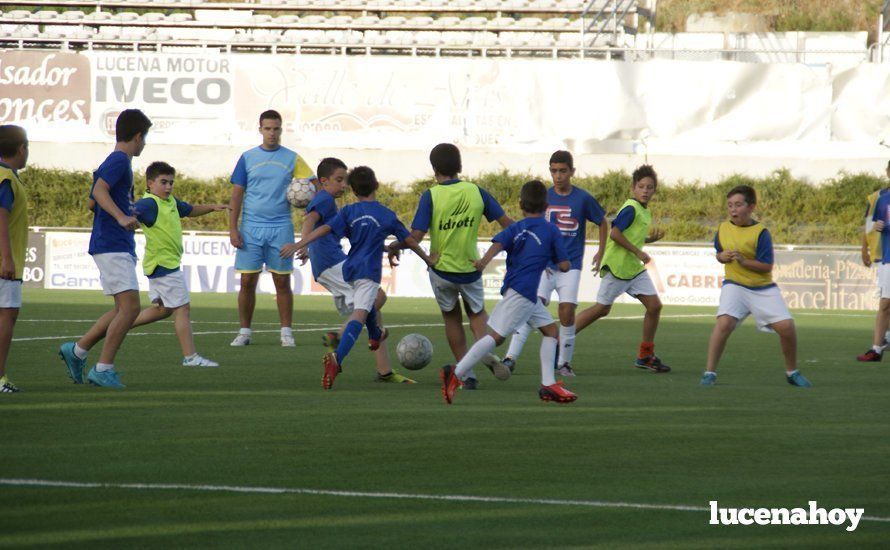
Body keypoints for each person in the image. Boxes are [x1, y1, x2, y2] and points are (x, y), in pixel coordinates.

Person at [282, 166, 436, 389]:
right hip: (368, 272)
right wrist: (428, 260)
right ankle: (337, 359)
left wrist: (299, 243)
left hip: (351, 269)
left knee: (371, 302)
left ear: (353, 191)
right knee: (362, 310)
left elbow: (325, 229)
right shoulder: (386, 215)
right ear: (377, 185)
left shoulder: (348, 212)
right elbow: (411, 241)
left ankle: (375, 334)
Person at [440, 180, 576, 405]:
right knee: (496, 338)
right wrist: (560, 263)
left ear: (521, 204)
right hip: (523, 293)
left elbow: (498, 243)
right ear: (546, 204)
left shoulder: (516, 227)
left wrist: (483, 262)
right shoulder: (551, 229)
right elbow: (564, 265)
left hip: (521, 291)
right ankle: (456, 373)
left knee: (551, 332)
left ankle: (548, 385)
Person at [390, 143, 513, 390]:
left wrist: (395, 244)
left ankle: (467, 375)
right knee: (477, 316)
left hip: (441, 269)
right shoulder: (477, 192)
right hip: (471, 268)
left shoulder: (431, 195)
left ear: (434, 168)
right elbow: (508, 225)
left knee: (452, 318)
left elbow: (416, 235)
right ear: (459, 166)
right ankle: (485, 353)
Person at [59, 109, 152, 389]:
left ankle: (77, 351)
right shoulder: (119, 161)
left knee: (122, 308)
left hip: (111, 243)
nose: (144, 144)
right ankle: (103, 368)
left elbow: (92, 202)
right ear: (137, 136)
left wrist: (125, 209)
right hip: (112, 244)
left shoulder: (114, 162)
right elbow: (99, 191)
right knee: (131, 307)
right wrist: (121, 216)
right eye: (144, 138)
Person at [501, 150, 608, 377]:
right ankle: (510, 358)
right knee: (529, 306)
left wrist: (601, 250)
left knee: (567, 311)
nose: (558, 175)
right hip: (544, 266)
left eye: (562, 171)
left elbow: (602, 221)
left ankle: (564, 363)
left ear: (572, 171)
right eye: (554, 171)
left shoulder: (583, 198)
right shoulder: (544, 198)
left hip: (570, 266)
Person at [701, 185, 812, 387]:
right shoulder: (723, 228)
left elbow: (766, 266)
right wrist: (721, 257)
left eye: (738, 205)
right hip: (734, 285)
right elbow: (718, 253)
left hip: (762, 288)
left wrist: (744, 262)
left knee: (787, 327)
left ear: (751, 207)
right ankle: (709, 373)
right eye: (730, 205)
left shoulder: (761, 233)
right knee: (723, 323)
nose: (733, 210)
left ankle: (792, 372)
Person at [229, 110, 315, 347]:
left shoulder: (293, 158)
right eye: (267, 128)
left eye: (276, 128)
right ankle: (244, 331)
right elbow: (236, 196)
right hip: (250, 228)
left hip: (281, 227)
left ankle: (286, 332)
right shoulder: (247, 158)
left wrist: (306, 202)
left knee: (282, 282)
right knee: (247, 281)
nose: (272, 133)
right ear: (260, 130)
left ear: (281, 129)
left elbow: (316, 187)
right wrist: (232, 229)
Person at [573, 165, 671, 373]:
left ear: (655, 190)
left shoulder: (643, 210)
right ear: (633, 188)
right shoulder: (631, 208)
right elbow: (615, 233)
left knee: (654, 306)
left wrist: (647, 240)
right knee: (601, 309)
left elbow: (628, 234)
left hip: (632, 269)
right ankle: (561, 339)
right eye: (641, 186)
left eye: (650, 187)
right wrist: (638, 252)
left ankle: (645, 355)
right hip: (618, 267)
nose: (645, 190)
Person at [129, 162, 226, 366]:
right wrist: (128, 216)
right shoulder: (149, 203)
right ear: (150, 183)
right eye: (163, 182)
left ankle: (120, 325)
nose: (168, 187)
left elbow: (189, 210)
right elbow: (132, 212)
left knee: (163, 309)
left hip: (160, 265)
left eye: (171, 182)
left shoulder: (170, 202)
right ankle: (191, 357)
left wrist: (211, 207)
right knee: (183, 308)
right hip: (164, 266)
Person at [0, 125, 29, 393]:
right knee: (6, 316)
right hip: (4, 264)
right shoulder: (6, 177)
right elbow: (1, 215)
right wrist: (7, 258)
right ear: (21, 149)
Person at [857, 160, 890, 361]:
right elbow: (872, 225)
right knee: (885, 303)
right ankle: (877, 348)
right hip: (888, 257)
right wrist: (865, 248)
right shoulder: (881, 198)